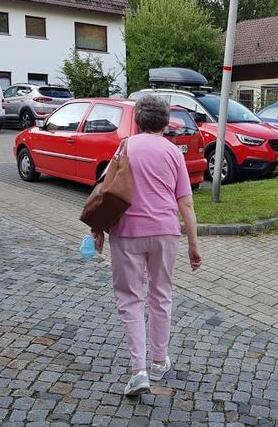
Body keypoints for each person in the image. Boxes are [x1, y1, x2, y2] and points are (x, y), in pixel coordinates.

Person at [92, 95, 202, 396]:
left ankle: (138, 370)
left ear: (137, 121)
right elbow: (186, 203)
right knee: (161, 295)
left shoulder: (125, 146)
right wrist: (193, 244)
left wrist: (97, 229)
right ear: (166, 123)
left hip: (127, 232)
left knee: (130, 298)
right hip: (165, 234)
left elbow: (107, 191)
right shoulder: (173, 152)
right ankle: (158, 360)